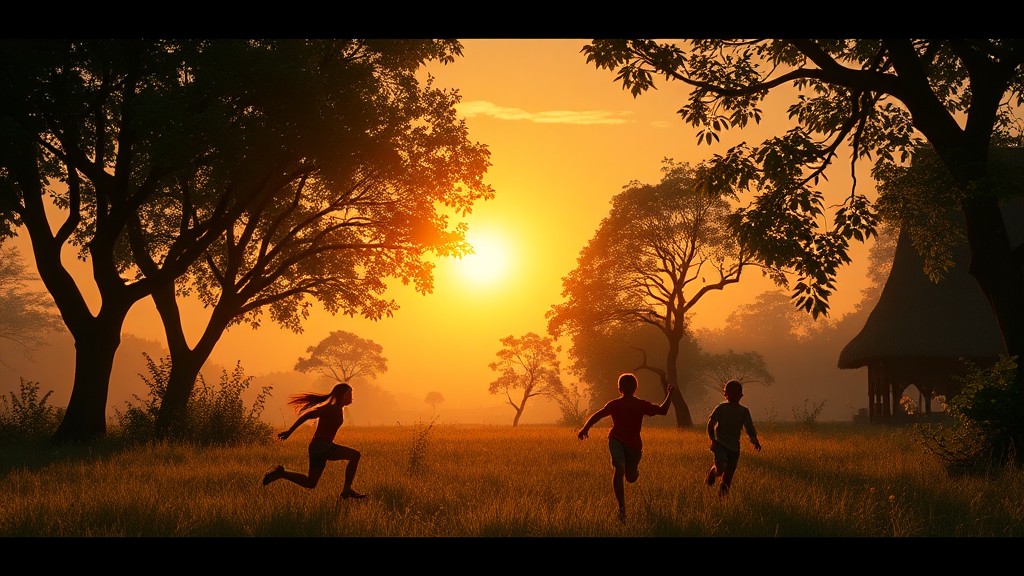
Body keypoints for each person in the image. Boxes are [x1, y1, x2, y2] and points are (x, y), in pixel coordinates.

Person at [577, 372, 673, 522]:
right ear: (622, 388)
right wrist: (585, 428)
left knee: (631, 477)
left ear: (622, 388)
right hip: (616, 439)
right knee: (619, 468)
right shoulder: (614, 404)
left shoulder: (640, 404)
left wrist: (669, 395)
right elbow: (598, 415)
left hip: (634, 446)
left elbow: (662, 411)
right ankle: (622, 508)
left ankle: (631, 473)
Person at [262, 382, 366, 500]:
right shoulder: (330, 409)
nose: (351, 396)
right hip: (322, 447)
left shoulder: (338, 409)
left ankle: (281, 473)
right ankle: (347, 489)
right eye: (349, 393)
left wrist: (289, 432)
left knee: (311, 483)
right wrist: (289, 432)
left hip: (319, 447)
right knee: (355, 455)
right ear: (341, 395)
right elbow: (306, 416)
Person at [705, 379, 761, 496]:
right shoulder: (721, 408)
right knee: (720, 469)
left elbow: (749, 428)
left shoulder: (744, 411)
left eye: (736, 393)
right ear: (725, 394)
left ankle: (721, 502)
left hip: (735, 449)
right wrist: (713, 440)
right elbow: (710, 424)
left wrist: (755, 441)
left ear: (741, 395)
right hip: (720, 444)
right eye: (731, 393)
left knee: (727, 479)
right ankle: (712, 473)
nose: (734, 396)